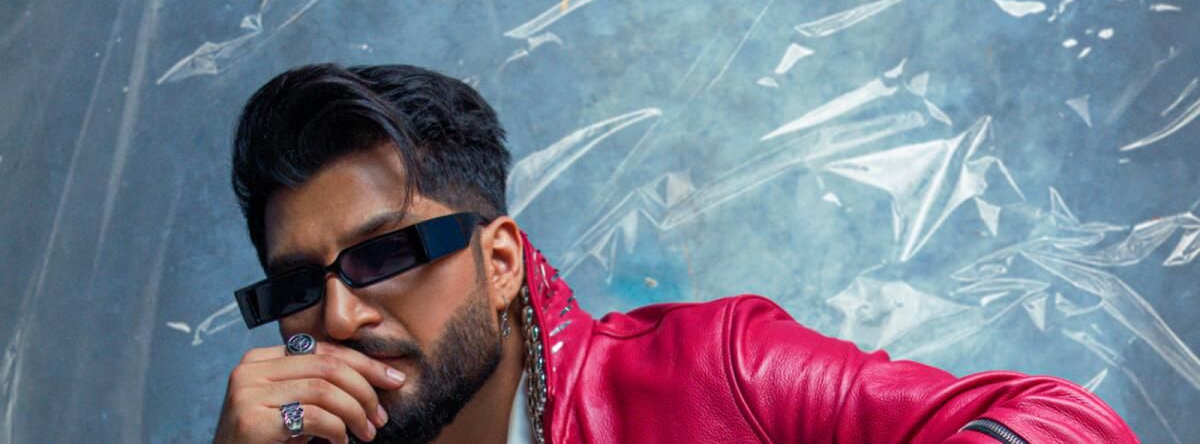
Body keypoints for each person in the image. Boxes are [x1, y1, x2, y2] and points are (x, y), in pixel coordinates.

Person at [213, 63, 1138, 444]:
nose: (337, 316)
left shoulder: (711, 373)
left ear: (498, 264)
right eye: (297, 284)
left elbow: (1066, 421)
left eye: (384, 255)